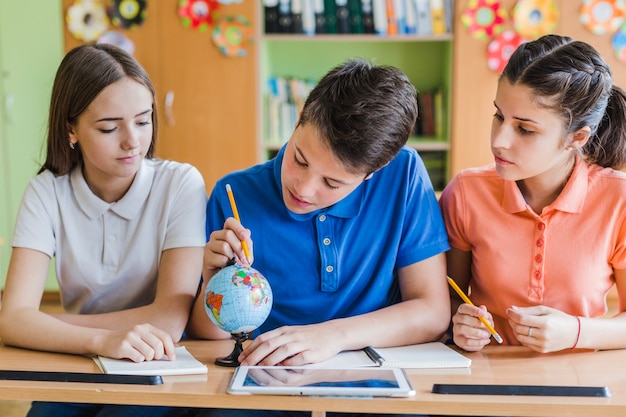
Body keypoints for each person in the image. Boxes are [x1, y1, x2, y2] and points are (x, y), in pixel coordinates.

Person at [185, 58, 450, 416]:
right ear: (298, 120)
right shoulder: (234, 194)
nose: (304, 189)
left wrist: (330, 336)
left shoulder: (404, 175)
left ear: (374, 172)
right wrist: (211, 281)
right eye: (300, 158)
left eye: (332, 183)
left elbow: (433, 312)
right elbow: (209, 335)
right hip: (264, 385)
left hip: (368, 379)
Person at [0, 44, 207, 417]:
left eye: (143, 121)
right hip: (76, 359)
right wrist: (102, 339)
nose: (133, 141)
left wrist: (42, 323)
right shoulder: (46, 191)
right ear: (71, 130)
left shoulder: (181, 184)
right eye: (110, 127)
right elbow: (14, 319)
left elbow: (169, 320)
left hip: (156, 363)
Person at [439, 34, 626, 353]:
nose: (499, 140)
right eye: (499, 116)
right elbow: (451, 298)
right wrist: (460, 322)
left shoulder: (617, 199)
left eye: (525, 129)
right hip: (484, 377)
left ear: (577, 137)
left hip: (581, 383)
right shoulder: (466, 192)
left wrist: (576, 332)